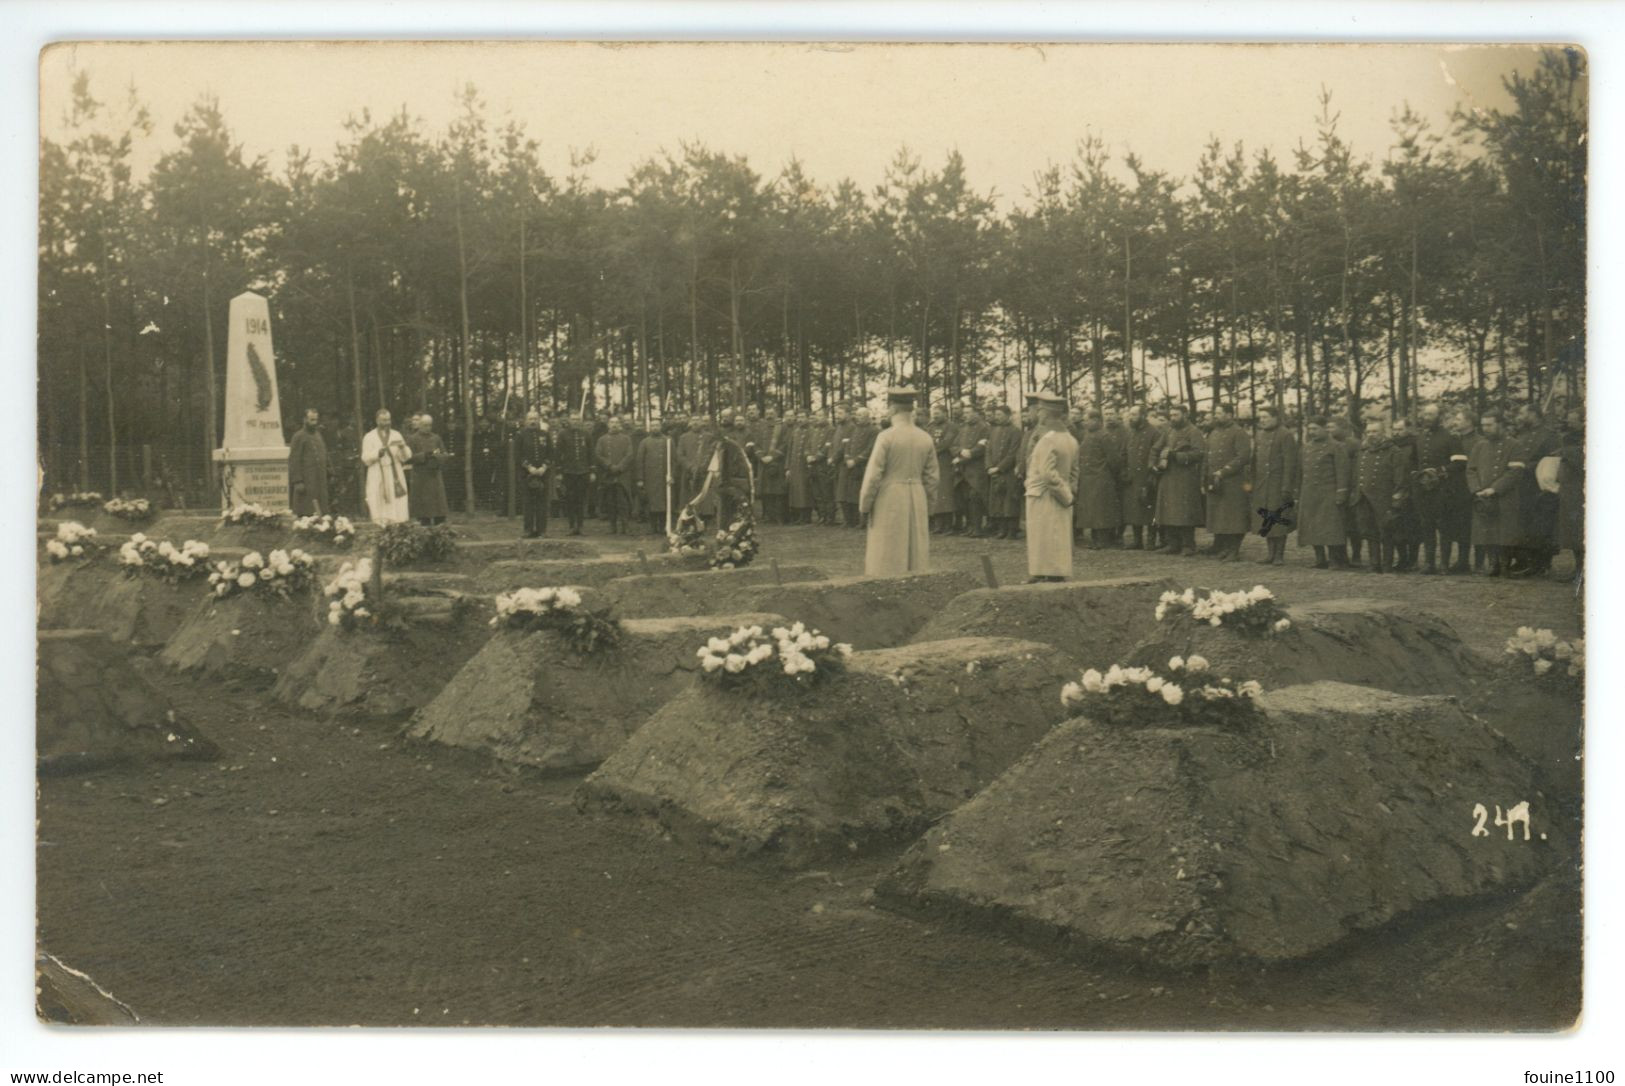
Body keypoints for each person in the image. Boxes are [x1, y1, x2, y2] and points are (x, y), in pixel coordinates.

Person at [858, 387, 939, 575]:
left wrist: (865, 505)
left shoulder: (886, 436)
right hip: (917, 495)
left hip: (890, 496)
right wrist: (930, 507)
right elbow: (933, 478)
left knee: (887, 550)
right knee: (915, 551)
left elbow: (873, 476)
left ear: (892, 409)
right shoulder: (925, 437)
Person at [1023, 392, 1080, 582]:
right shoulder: (1071, 439)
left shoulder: (1048, 440)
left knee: (1044, 536)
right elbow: (1074, 471)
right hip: (1060, 494)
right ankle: (1046, 572)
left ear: (1046, 414)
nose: (1038, 415)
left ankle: (1048, 573)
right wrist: (1070, 492)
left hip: (1045, 495)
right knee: (1055, 535)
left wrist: (1064, 494)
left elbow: (1047, 473)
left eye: (1040, 411)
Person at [1501, 403, 1560, 577]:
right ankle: (1526, 561)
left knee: (1541, 525)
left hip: (1540, 487)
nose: (1520, 416)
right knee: (1524, 524)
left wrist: (1526, 467)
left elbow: (1552, 461)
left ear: (1533, 414)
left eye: (1522, 412)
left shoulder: (1550, 436)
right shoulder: (1522, 434)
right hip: (1522, 487)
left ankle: (1541, 564)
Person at [1351, 417, 1409, 574]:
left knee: (1386, 532)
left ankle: (1387, 564)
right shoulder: (1363, 451)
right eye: (1368, 431)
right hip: (1364, 497)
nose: (1371, 434)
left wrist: (1397, 499)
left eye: (1375, 431)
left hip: (1384, 498)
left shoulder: (1393, 451)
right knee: (1369, 532)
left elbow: (1400, 479)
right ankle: (1374, 563)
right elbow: (1357, 475)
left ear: (1384, 433)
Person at [1410, 403, 1462, 574]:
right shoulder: (1419, 438)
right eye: (1425, 414)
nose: (1427, 418)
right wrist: (1418, 475)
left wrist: (1438, 472)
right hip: (1422, 490)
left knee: (1444, 527)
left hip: (1442, 490)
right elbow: (1412, 461)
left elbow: (1459, 463)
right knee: (1426, 526)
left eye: (1431, 414)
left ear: (1439, 417)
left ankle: (1444, 564)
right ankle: (1429, 563)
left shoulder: (1450, 437)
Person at [1297, 415, 1352, 569]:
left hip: (1329, 493)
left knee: (1331, 527)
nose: (1312, 432)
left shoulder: (1336, 446)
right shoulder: (1305, 448)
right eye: (1309, 429)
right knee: (1312, 526)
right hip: (1309, 493)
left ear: (1324, 429)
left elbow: (1343, 472)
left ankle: (1336, 559)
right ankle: (1320, 559)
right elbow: (1300, 473)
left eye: (1315, 429)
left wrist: (1341, 492)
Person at [1150, 404, 1204, 556]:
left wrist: (1178, 456)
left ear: (1185, 415)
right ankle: (1172, 543)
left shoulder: (1194, 432)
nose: (1172, 418)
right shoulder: (1169, 430)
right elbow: (1155, 448)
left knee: (1184, 512)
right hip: (1167, 476)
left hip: (1185, 478)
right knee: (1168, 511)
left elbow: (1199, 453)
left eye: (1176, 415)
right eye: (1171, 415)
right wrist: (1153, 465)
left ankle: (1188, 545)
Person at [1201, 403, 1252, 561]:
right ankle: (1222, 547)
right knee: (1218, 516)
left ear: (1229, 415)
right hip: (1215, 482)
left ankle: (1233, 550)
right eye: (1215, 412)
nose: (1215, 415)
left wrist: (1224, 471)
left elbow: (1243, 456)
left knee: (1233, 517)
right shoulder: (1214, 433)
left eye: (1219, 413)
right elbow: (1206, 457)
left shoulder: (1239, 433)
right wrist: (1205, 478)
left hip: (1233, 482)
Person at [1250, 404, 1298, 565]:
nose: (1262, 421)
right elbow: (1254, 462)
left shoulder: (1285, 435)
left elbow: (1290, 463)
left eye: (1266, 417)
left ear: (1276, 418)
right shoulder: (1260, 435)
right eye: (1261, 418)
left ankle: (1279, 555)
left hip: (1277, 484)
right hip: (1263, 484)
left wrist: (1286, 487)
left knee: (1278, 519)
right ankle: (1270, 554)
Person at [1467, 412, 1510, 577]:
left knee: (1504, 532)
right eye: (1483, 425)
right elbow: (1471, 470)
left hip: (1505, 497)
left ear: (1499, 424)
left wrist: (1495, 488)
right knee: (1486, 531)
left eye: (1489, 425)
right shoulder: (1479, 446)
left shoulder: (1512, 444)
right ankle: (1492, 563)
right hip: (1482, 497)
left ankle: (1505, 564)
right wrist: (1476, 489)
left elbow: (1515, 471)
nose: (1486, 429)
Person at [1074, 408, 1123, 549]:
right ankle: (1096, 539)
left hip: (1100, 478)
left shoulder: (1104, 436)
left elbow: (1114, 459)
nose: (1085, 423)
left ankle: (1103, 540)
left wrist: (1106, 473)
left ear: (1096, 421)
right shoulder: (1087, 435)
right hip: (1088, 478)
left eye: (1087, 420)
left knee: (1101, 511)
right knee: (1093, 511)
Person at [360, 409, 413, 524]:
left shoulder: (396, 435)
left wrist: (403, 447)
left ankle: (398, 525)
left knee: (397, 502)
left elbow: (406, 457)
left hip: (395, 473)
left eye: (388, 419)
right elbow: (364, 458)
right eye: (384, 420)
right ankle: (381, 526)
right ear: (377, 421)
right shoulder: (369, 437)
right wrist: (377, 454)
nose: (387, 422)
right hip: (377, 472)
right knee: (378, 499)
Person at [1441, 410, 1476, 573]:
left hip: (1468, 488)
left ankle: (1464, 562)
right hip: (1451, 488)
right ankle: (1449, 563)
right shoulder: (1453, 439)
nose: (1455, 422)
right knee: (1449, 526)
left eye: (1459, 418)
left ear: (1469, 421)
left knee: (1465, 527)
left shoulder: (1478, 441)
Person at [1119, 405, 1157, 550]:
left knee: (1149, 508)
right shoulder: (1129, 433)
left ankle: (1151, 540)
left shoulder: (1153, 433)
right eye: (1130, 415)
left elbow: (1156, 454)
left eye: (1134, 415)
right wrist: (1124, 471)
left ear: (1143, 415)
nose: (1131, 417)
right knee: (1134, 509)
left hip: (1147, 477)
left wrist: (1151, 475)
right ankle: (1137, 540)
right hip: (1132, 477)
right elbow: (1123, 454)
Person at [1387, 417, 1422, 572]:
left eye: (1400, 429)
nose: (1397, 432)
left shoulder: (1416, 444)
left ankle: (1413, 560)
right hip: (1396, 490)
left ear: (1408, 429)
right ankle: (1402, 559)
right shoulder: (1391, 445)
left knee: (1413, 527)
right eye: (1394, 429)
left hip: (1413, 491)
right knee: (1397, 526)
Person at [1330, 416, 1365, 566]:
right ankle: (1341, 556)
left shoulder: (1354, 444)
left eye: (1331, 427)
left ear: (1343, 428)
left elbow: (1358, 468)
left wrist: (1354, 490)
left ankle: (1356, 555)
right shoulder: (1330, 445)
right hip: (1335, 488)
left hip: (1351, 488)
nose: (1328, 430)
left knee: (1353, 526)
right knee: (1338, 525)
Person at [952, 402, 990, 536]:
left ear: (977, 414)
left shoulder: (984, 428)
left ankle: (977, 528)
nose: (965, 415)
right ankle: (970, 527)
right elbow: (954, 445)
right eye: (965, 413)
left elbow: (983, 447)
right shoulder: (963, 428)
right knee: (965, 497)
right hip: (963, 469)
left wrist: (970, 453)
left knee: (975, 497)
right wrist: (960, 452)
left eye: (969, 413)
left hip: (976, 469)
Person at [984, 404, 1022, 539]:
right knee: (997, 501)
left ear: (1008, 415)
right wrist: (989, 467)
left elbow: (1013, 453)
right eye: (996, 415)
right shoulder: (993, 431)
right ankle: (1001, 529)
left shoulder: (1016, 431)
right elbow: (988, 450)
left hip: (1008, 471)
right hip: (993, 471)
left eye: (1000, 415)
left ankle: (1012, 530)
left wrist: (999, 468)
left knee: (1009, 502)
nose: (997, 417)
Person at [1555, 406, 1584, 582]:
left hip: (1582, 491)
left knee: (1583, 531)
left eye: (1573, 421)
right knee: (1573, 532)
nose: (1569, 424)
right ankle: (1578, 568)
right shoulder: (1568, 439)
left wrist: (1566, 451)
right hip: (1569, 491)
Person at [407, 413, 451, 526]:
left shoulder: (436, 438)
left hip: (434, 475)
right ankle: (424, 526)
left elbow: (445, 454)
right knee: (423, 511)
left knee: (438, 507)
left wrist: (437, 457)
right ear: (420, 425)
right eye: (425, 425)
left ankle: (440, 526)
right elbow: (408, 457)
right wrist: (424, 455)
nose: (428, 428)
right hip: (421, 477)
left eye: (430, 425)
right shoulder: (413, 439)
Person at [635, 415, 676, 535]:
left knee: (664, 502)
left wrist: (672, 475)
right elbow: (639, 461)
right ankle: (653, 527)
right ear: (649, 427)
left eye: (657, 425)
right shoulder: (645, 442)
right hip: (650, 478)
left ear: (661, 427)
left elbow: (674, 460)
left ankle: (664, 526)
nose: (655, 427)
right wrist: (640, 478)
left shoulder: (668, 441)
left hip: (665, 477)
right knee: (652, 503)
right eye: (652, 425)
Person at [594, 416, 635, 535]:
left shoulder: (626, 439)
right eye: (612, 422)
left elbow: (630, 455)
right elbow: (598, 455)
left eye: (617, 422)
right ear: (608, 424)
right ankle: (612, 526)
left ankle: (625, 526)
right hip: (608, 475)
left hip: (622, 475)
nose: (614, 425)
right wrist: (609, 466)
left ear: (620, 424)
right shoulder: (602, 439)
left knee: (623, 501)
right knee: (610, 501)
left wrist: (620, 467)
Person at [515, 409, 553, 538]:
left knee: (542, 503)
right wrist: (529, 467)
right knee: (528, 503)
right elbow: (517, 455)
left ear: (539, 420)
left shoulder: (545, 435)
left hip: (543, 473)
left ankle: (542, 530)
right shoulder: (520, 435)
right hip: (527, 474)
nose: (533, 421)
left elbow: (550, 453)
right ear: (526, 421)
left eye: (535, 419)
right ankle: (528, 530)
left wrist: (544, 467)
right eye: (530, 419)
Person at [555, 416, 595, 535]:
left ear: (580, 421)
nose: (575, 421)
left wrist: (592, 471)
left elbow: (591, 453)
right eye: (573, 419)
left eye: (577, 419)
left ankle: (581, 526)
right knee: (570, 499)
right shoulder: (562, 434)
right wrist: (559, 472)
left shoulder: (586, 434)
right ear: (569, 421)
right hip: (568, 472)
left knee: (581, 499)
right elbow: (558, 453)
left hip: (583, 471)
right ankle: (572, 526)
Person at [288, 407, 331, 516]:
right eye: (311, 420)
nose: (314, 423)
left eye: (316, 420)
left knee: (321, 509)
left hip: (320, 480)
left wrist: (330, 471)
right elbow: (294, 460)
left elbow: (325, 454)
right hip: (306, 481)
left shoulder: (318, 435)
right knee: (306, 510)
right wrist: (297, 481)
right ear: (304, 420)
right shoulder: (298, 436)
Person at [841, 406, 878, 529]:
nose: (858, 417)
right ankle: (852, 520)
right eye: (857, 415)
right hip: (850, 466)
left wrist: (856, 460)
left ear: (867, 416)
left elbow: (870, 449)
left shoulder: (873, 430)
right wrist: (847, 458)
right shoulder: (854, 429)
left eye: (861, 415)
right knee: (850, 494)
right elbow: (847, 446)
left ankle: (863, 521)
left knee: (862, 494)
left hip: (863, 466)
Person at [928, 402, 958, 535]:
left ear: (945, 414)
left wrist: (931, 451)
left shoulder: (951, 426)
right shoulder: (930, 426)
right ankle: (938, 524)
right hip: (932, 463)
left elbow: (947, 442)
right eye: (933, 414)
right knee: (936, 494)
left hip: (945, 463)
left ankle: (948, 525)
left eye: (938, 414)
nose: (935, 416)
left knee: (946, 494)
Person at [757, 407, 789, 524]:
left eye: (771, 413)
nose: (769, 416)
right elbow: (757, 444)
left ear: (776, 414)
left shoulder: (782, 427)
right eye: (767, 413)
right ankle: (768, 516)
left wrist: (772, 456)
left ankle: (780, 517)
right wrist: (762, 457)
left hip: (778, 463)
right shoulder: (761, 428)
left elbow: (785, 444)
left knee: (778, 492)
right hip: (764, 463)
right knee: (766, 491)